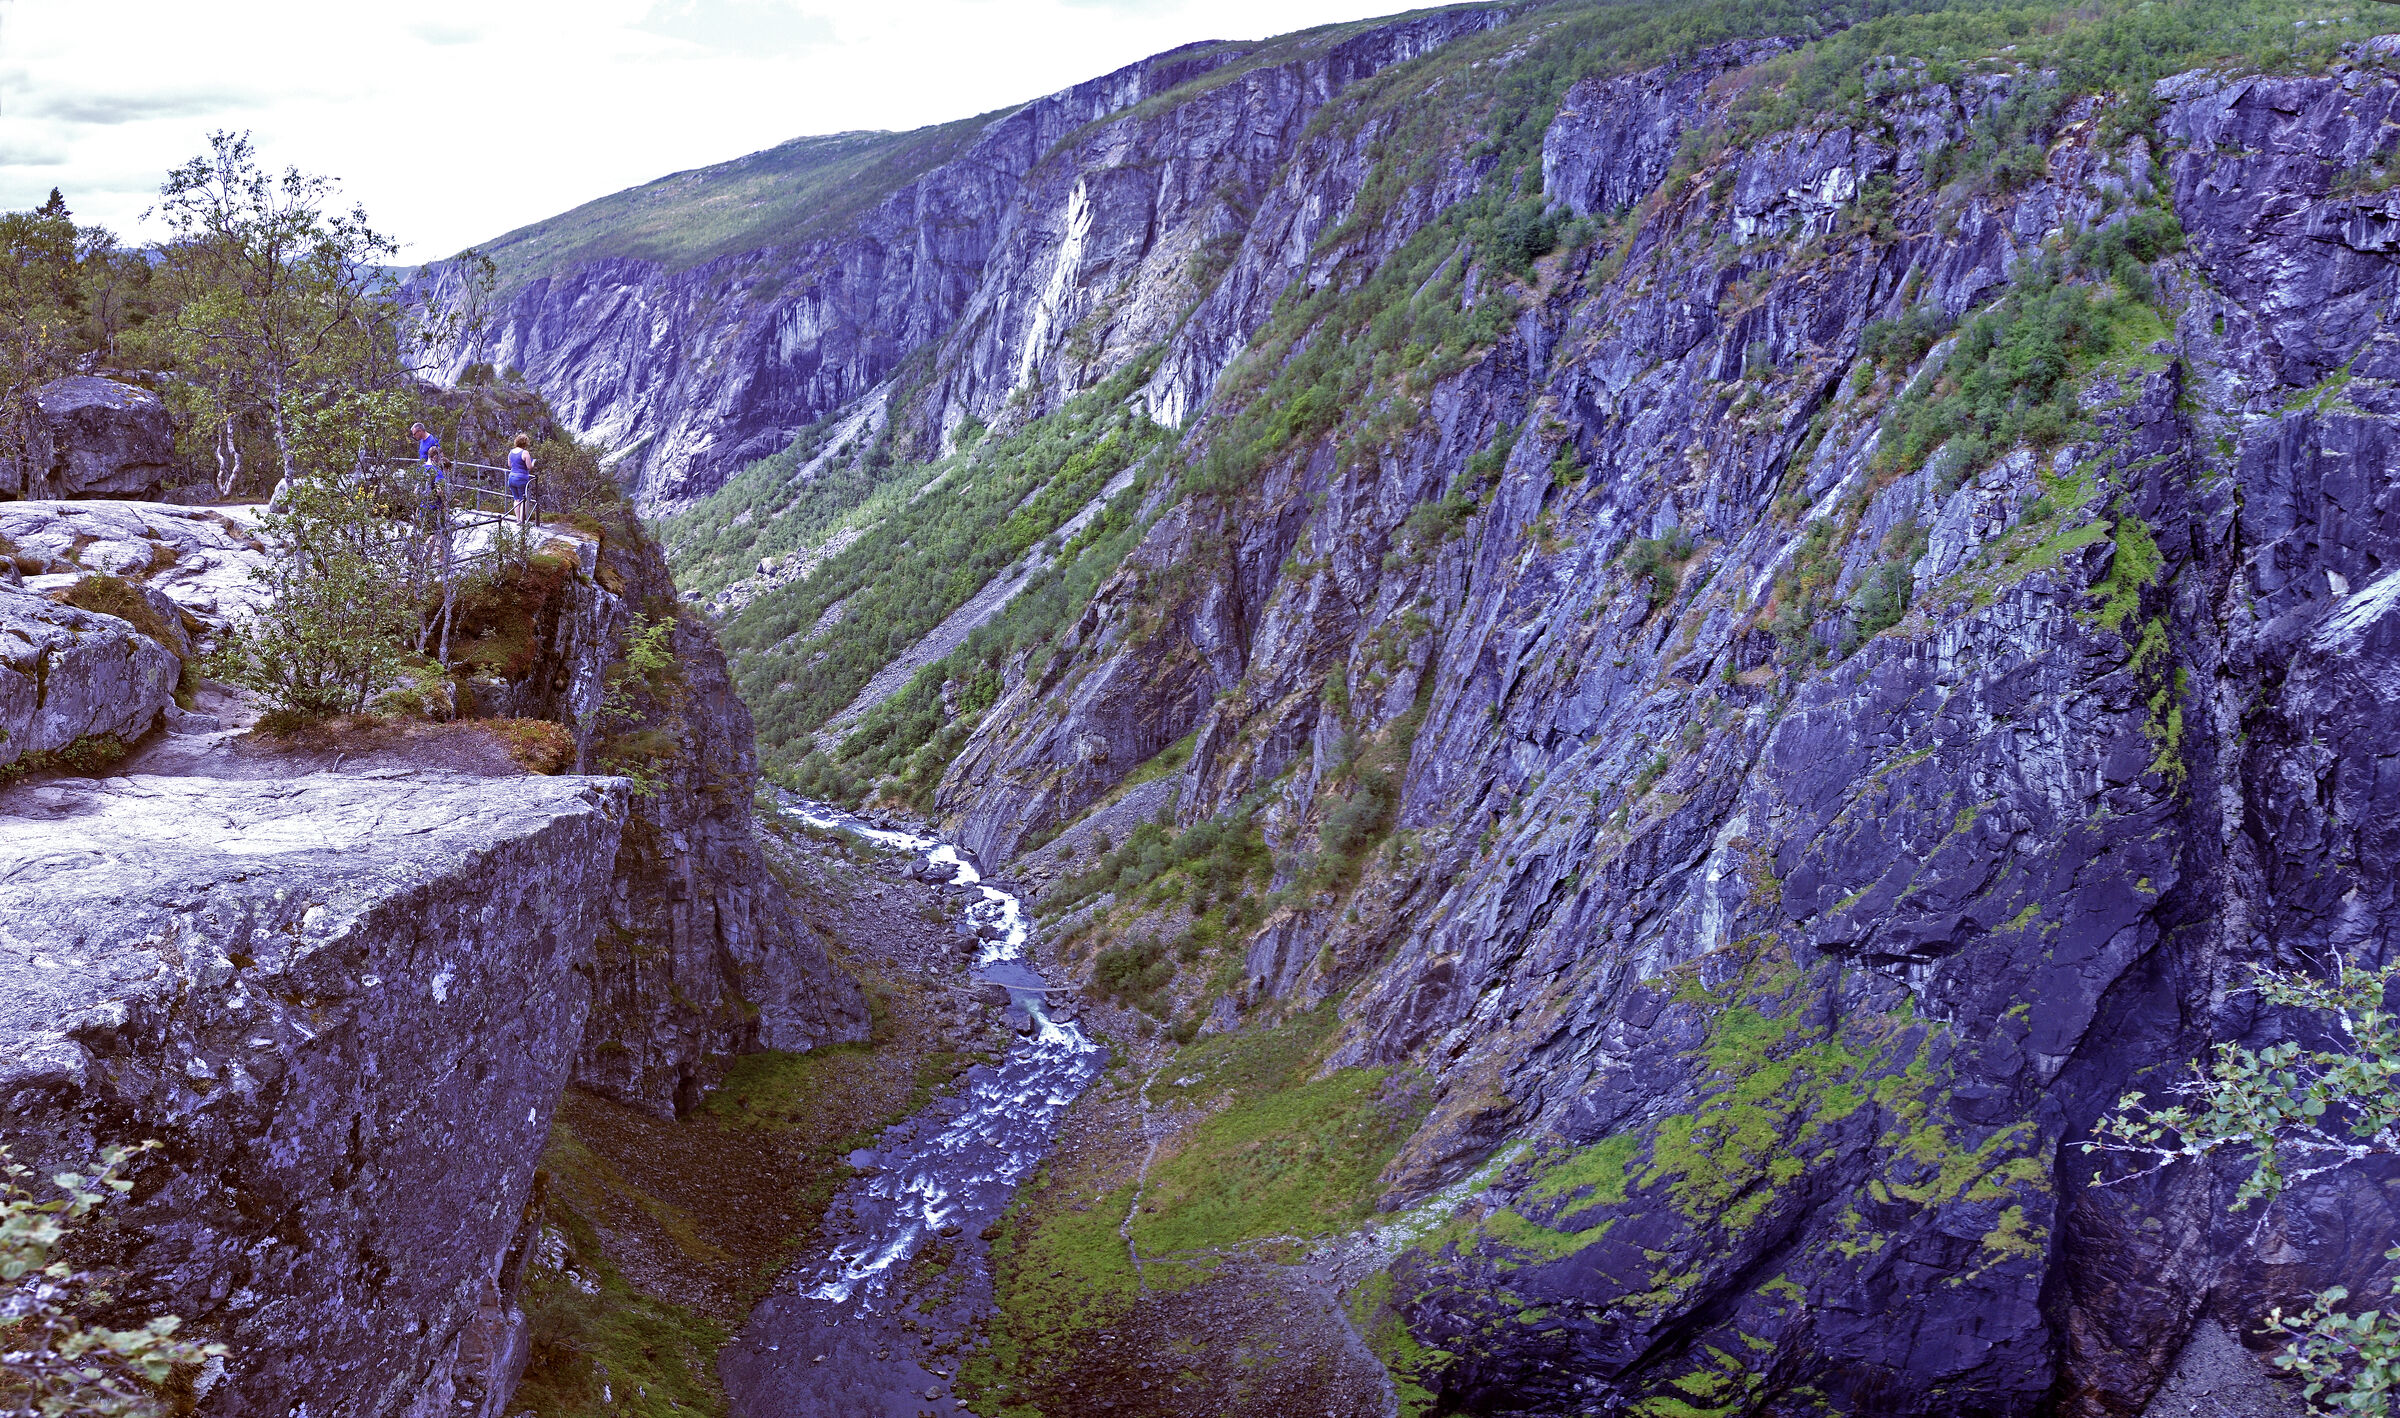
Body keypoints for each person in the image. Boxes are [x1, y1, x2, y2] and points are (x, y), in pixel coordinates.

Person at [506, 434, 536, 524]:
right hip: (521, 478)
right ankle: (522, 521)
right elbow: (529, 467)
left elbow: (509, 465)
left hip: (511, 477)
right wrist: (533, 463)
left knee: (516, 499)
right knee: (523, 499)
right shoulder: (525, 453)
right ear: (525, 443)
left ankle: (517, 519)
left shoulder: (511, 452)